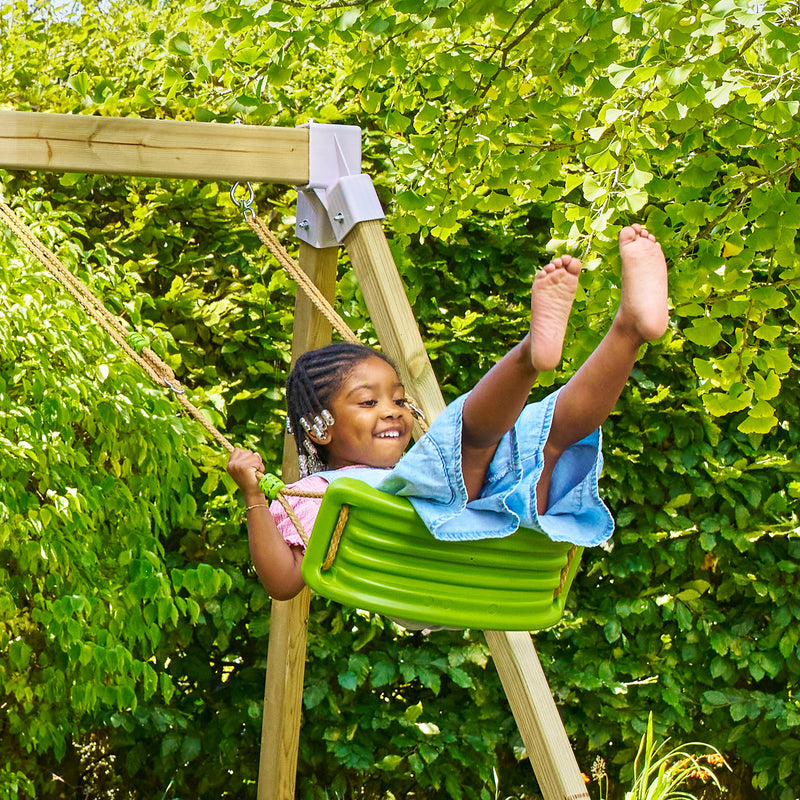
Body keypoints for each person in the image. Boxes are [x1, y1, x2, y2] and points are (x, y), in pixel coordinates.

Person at [227, 224, 669, 601]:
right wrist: (254, 497)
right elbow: (283, 583)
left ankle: (628, 330)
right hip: (449, 542)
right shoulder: (315, 491)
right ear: (320, 429)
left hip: (504, 528)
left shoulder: (401, 472)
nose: (393, 413)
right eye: (369, 402)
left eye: (400, 400)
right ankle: (529, 354)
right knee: (469, 441)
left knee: (548, 436)